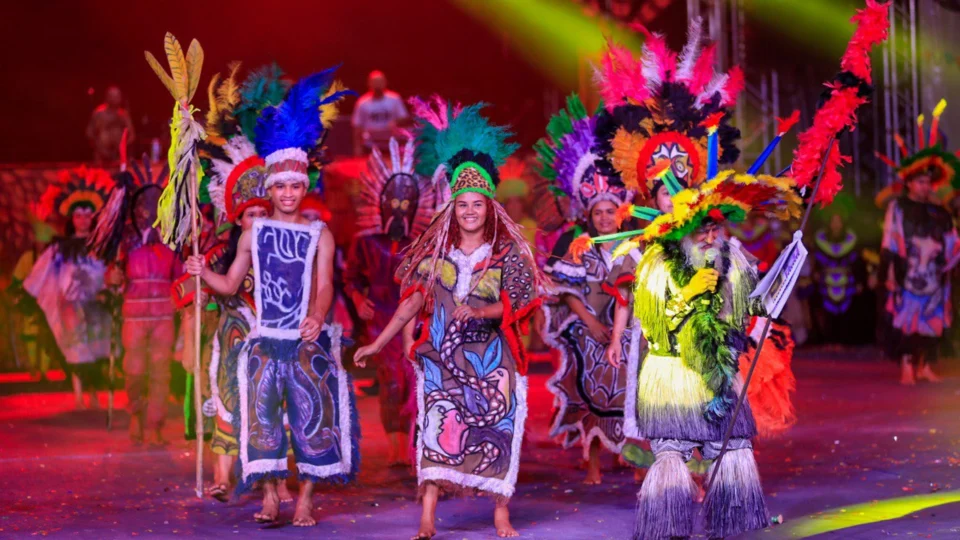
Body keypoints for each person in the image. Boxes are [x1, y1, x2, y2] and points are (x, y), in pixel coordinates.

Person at [579, 21, 809, 537]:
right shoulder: (647, 252)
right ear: (650, 197)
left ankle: (731, 519)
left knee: (731, 448)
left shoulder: (725, 247)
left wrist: (781, 274)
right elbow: (650, 310)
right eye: (662, 190)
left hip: (718, 366)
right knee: (670, 452)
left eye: (681, 184)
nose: (672, 196)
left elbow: (750, 305)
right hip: (667, 366)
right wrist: (688, 295)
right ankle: (669, 520)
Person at [354, 98, 544, 539]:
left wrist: (481, 310)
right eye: (463, 205)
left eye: (478, 204)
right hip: (441, 361)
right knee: (435, 434)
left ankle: (500, 513)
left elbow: (520, 303)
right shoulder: (435, 255)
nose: (470, 211)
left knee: (499, 427)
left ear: (489, 207)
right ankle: (428, 516)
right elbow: (410, 305)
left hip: (492, 361)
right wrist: (378, 343)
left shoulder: (507, 255)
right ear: (453, 208)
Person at [186, 69, 357, 527]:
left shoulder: (319, 234)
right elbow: (230, 285)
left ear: (305, 187)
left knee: (311, 422)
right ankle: (268, 496)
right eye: (279, 186)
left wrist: (318, 316)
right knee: (261, 423)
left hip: (304, 340)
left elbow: (325, 285)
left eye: (294, 186)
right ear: (270, 188)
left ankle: (304, 497)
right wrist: (203, 273)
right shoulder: (253, 233)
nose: (286, 193)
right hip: (263, 339)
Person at [535, 93, 635, 484]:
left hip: (627, 334)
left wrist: (619, 330)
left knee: (630, 396)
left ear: (619, 212)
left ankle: (632, 459)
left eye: (611, 211)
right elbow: (562, 290)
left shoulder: (634, 244)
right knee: (589, 394)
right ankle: (593, 462)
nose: (606, 217)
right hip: (587, 334)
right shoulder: (577, 246)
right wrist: (589, 323)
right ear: (588, 215)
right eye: (599, 212)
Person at [345, 137, 435, 467]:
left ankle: (411, 448)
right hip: (379, 319)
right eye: (392, 201)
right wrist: (357, 299)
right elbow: (350, 277)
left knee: (413, 381)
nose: (399, 208)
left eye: (405, 202)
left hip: (413, 322)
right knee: (391, 381)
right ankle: (396, 450)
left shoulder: (422, 244)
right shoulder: (365, 242)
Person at [90, 157, 181, 445]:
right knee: (134, 371)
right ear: (137, 208)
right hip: (134, 316)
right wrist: (113, 278)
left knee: (160, 372)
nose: (150, 209)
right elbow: (111, 277)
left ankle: (154, 424)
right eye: (146, 204)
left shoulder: (171, 241)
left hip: (163, 317)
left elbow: (180, 278)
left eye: (157, 202)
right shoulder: (126, 241)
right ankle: (135, 415)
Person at [25, 166, 115, 409]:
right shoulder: (61, 247)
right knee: (76, 347)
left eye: (88, 215)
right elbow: (43, 271)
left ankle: (94, 394)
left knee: (97, 348)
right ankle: (78, 393)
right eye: (79, 215)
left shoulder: (101, 244)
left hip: (97, 305)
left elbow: (110, 271)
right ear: (72, 219)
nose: (84, 219)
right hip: (71, 307)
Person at [812, 211, 862, 345]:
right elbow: (815, 259)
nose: (836, 224)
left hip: (846, 281)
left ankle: (845, 341)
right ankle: (828, 341)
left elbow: (857, 261)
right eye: (833, 221)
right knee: (827, 311)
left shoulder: (851, 239)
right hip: (826, 281)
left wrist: (858, 281)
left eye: (838, 221)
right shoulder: (820, 239)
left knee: (846, 311)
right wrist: (816, 272)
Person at [352, 70, 409, 156]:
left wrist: (396, 122)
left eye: (380, 82)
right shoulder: (362, 102)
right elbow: (357, 126)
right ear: (369, 83)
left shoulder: (394, 99)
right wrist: (357, 147)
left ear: (385, 82)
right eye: (375, 82)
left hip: (391, 144)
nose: (377, 84)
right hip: (370, 145)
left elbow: (404, 117)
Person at [86, 86, 135, 165]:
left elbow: (131, 135)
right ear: (107, 97)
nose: (117, 98)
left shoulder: (123, 115)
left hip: (118, 158)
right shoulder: (98, 113)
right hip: (101, 157)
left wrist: (121, 149)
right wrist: (99, 148)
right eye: (113, 96)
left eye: (118, 96)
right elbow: (90, 134)